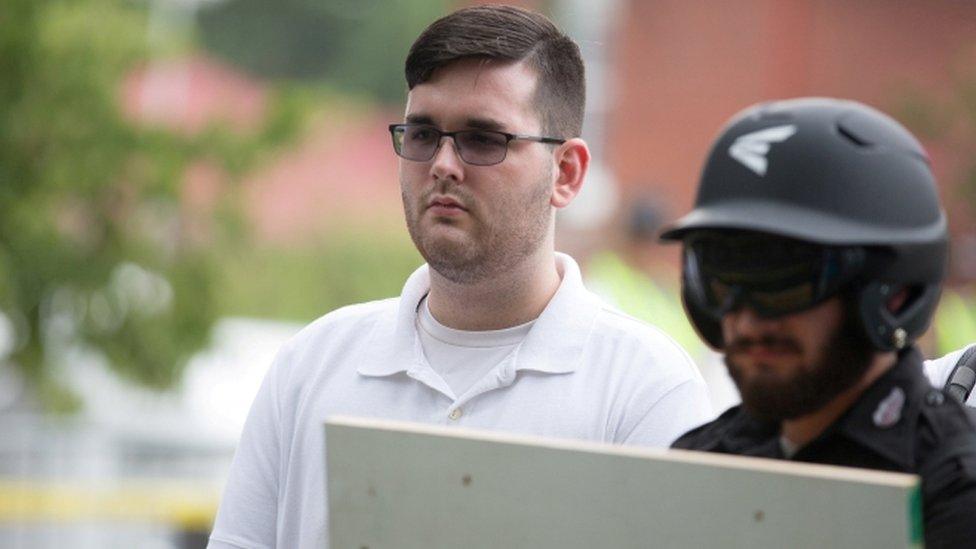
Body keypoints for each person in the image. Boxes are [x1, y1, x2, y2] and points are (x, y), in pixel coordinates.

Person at [207, 6, 712, 548]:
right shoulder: (309, 367)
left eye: (483, 139)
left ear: (565, 173)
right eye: (423, 134)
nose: (444, 163)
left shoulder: (645, 391)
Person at [660, 97, 976, 548]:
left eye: (785, 280)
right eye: (724, 278)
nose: (747, 319)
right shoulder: (702, 461)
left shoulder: (954, 491)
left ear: (893, 289)